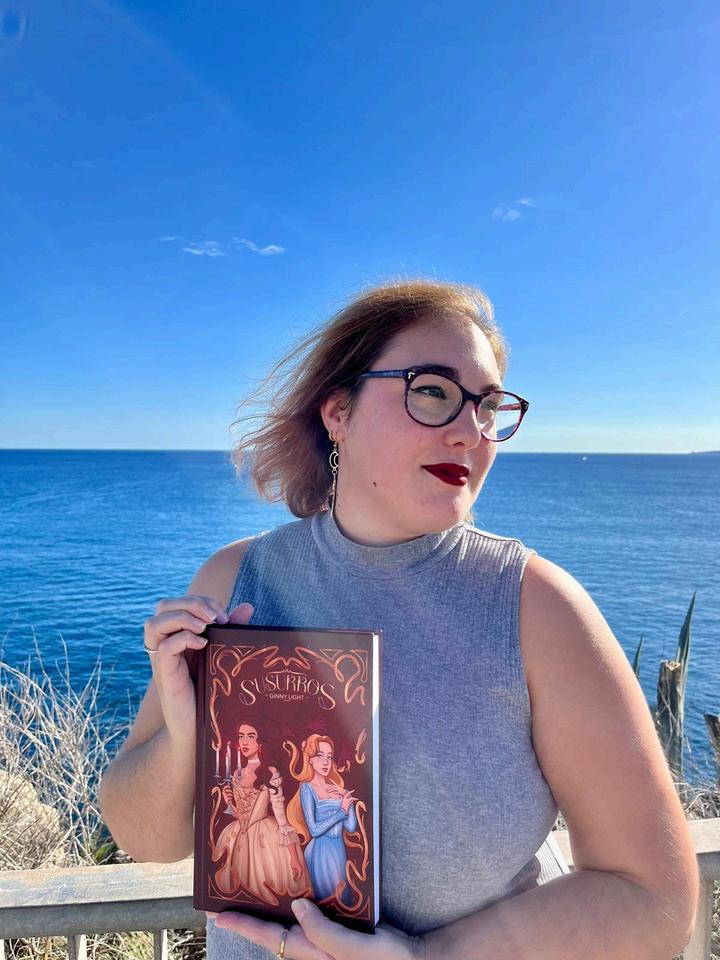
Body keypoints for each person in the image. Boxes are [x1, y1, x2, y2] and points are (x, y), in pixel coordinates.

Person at [99, 279, 699, 960]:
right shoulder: (234, 580)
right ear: (338, 412)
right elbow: (145, 838)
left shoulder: (536, 607)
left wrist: (429, 958)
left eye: (488, 406)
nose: (471, 431)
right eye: (432, 391)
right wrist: (186, 735)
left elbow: (652, 897)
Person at [210, 721, 312, 904]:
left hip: (265, 838)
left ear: (260, 741)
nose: (244, 741)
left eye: (251, 736)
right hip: (238, 835)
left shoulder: (270, 773)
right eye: (241, 736)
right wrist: (229, 802)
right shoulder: (237, 773)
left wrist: (294, 858)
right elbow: (241, 814)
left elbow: (281, 818)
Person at [284, 734, 359, 905]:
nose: (326, 762)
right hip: (320, 851)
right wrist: (341, 811)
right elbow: (314, 830)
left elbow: (351, 827)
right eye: (320, 755)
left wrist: (346, 796)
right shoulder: (307, 788)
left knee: (343, 900)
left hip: (339, 849)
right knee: (329, 901)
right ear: (310, 759)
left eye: (329, 757)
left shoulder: (336, 786)